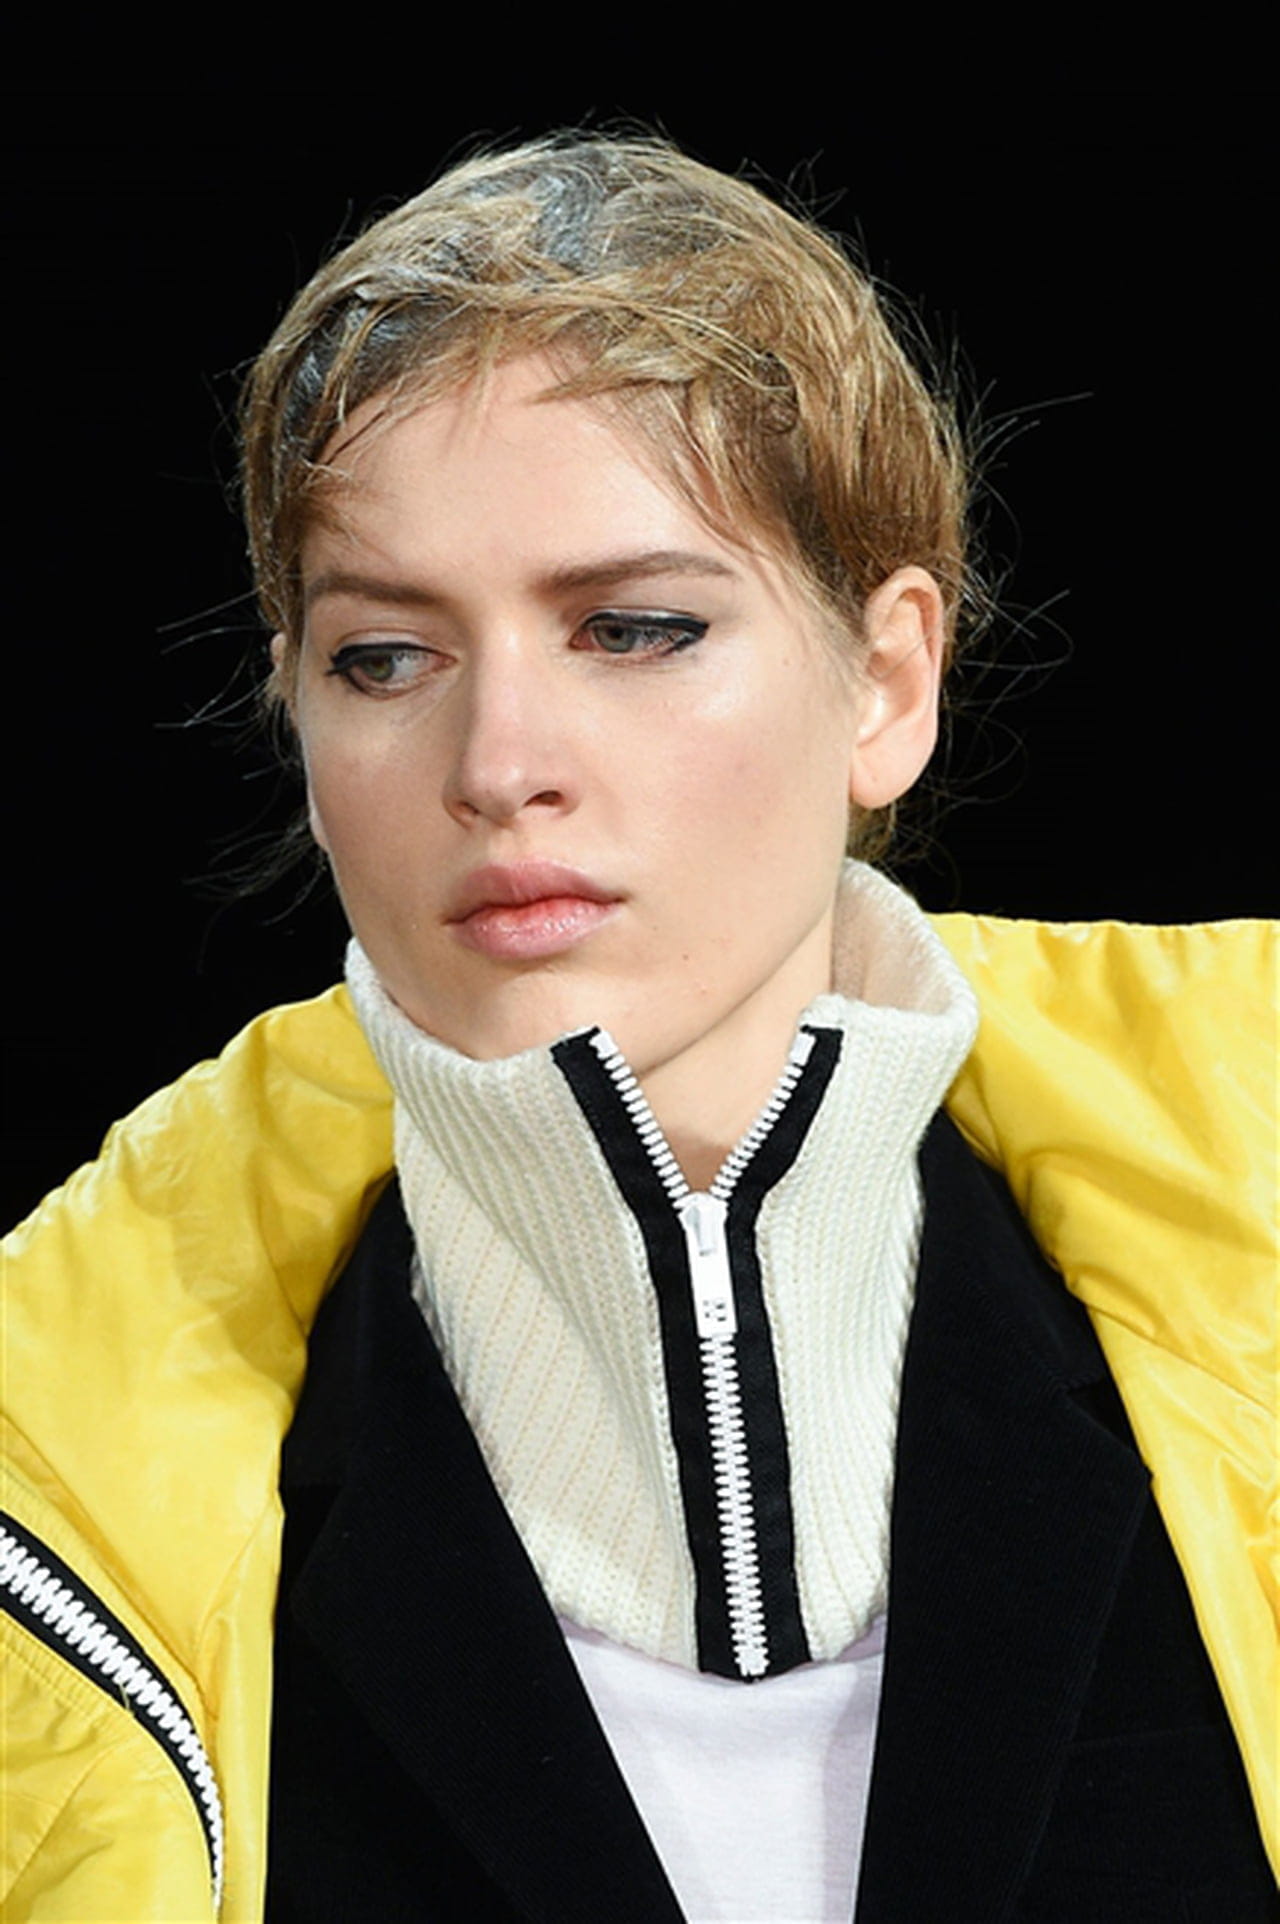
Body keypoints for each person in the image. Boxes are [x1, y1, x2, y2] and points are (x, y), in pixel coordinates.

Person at [2, 134, 1274, 1923]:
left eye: (634, 627)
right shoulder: (45, 1474)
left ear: (887, 682)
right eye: (385, 656)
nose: (499, 762)